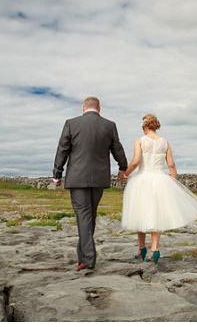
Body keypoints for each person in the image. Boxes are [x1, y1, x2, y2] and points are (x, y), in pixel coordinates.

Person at [120, 113, 197, 264]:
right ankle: (154, 250)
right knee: (156, 214)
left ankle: (141, 248)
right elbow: (171, 165)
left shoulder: (140, 141)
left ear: (145, 126)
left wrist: (125, 174)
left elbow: (135, 161)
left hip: (142, 180)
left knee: (139, 212)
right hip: (160, 180)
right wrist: (173, 181)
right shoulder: (165, 142)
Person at [53, 96, 127, 272]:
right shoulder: (109, 125)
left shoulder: (71, 123)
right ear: (99, 108)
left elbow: (62, 149)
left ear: (83, 107)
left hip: (77, 178)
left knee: (84, 215)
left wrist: (57, 173)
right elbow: (117, 148)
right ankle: (84, 255)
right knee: (89, 215)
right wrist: (122, 167)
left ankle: (87, 258)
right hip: (99, 178)